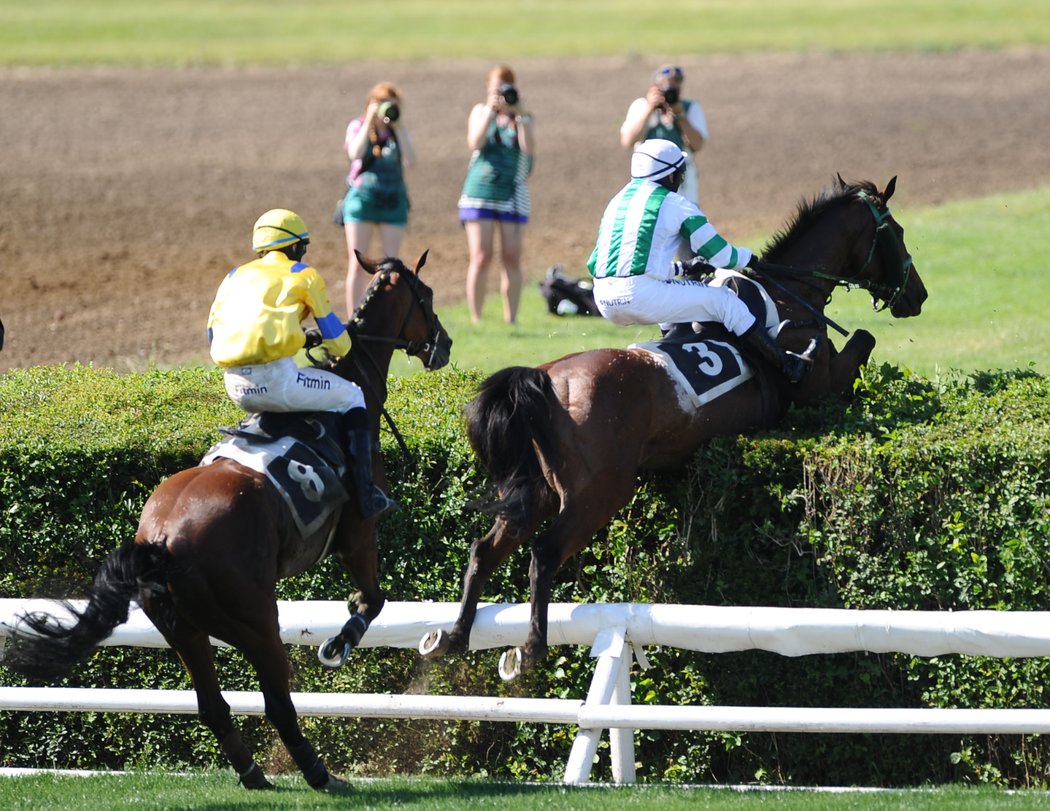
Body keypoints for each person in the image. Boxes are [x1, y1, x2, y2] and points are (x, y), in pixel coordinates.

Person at [207, 208, 396, 519]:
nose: (303, 254)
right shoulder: (304, 275)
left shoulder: (234, 275)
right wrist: (332, 338)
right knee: (352, 395)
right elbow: (339, 344)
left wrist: (299, 337)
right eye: (303, 248)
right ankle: (367, 494)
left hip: (234, 385)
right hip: (277, 383)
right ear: (295, 247)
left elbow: (214, 333)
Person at [587, 140, 818, 384]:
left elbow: (627, 264)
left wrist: (681, 268)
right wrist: (748, 257)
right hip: (641, 297)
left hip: (603, 299)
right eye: (681, 173)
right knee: (726, 302)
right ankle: (789, 366)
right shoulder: (676, 204)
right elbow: (722, 257)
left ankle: (675, 355)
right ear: (671, 175)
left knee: (671, 304)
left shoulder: (617, 202)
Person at [458, 64, 535, 324]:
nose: (500, 95)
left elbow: (529, 150)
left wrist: (521, 115)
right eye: (495, 90)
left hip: (512, 194)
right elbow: (475, 143)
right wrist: (491, 113)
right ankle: (476, 318)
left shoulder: (523, 117)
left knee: (512, 256)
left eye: (505, 90)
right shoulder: (480, 112)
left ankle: (511, 318)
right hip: (480, 192)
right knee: (481, 256)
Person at [341, 81, 416, 316]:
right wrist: (369, 119)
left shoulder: (397, 130)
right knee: (357, 263)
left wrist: (400, 126)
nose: (387, 110)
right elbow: (354, 153)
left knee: (390, 266)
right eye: (382, 104)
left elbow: (411, 160)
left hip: (393, 202)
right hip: (362, 201)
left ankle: (383, 315)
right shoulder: (357, 125)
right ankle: (355, 317)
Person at [620, 64, 708, 206]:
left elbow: (697, 145)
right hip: (648, 179)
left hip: (682, 181)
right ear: (655, 87)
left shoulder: (690, 108)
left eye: (675, 88)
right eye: (666, 88)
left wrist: (680, 115)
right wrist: (649, 109)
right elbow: (627, 141)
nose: (670, 94)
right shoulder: (641, 106)